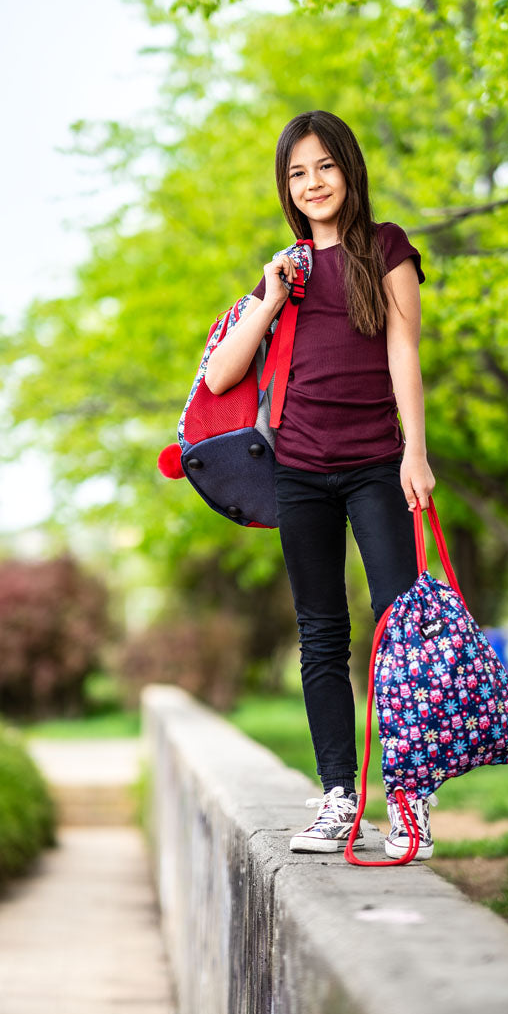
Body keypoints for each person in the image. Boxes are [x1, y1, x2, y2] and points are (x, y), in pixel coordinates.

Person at [205, 110, 437, 859]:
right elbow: (221, 375)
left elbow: (405, 349)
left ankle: (408, 804)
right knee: (321, 637)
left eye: (324, 167)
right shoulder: (288, 270)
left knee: (402, 631)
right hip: (300, 470)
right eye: (297, 173)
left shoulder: (387, 247)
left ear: (349, 169)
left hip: (377, 463)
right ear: (287, 187)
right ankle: (339, 794)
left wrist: (415, 452)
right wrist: (270, 297)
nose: (313, 183)